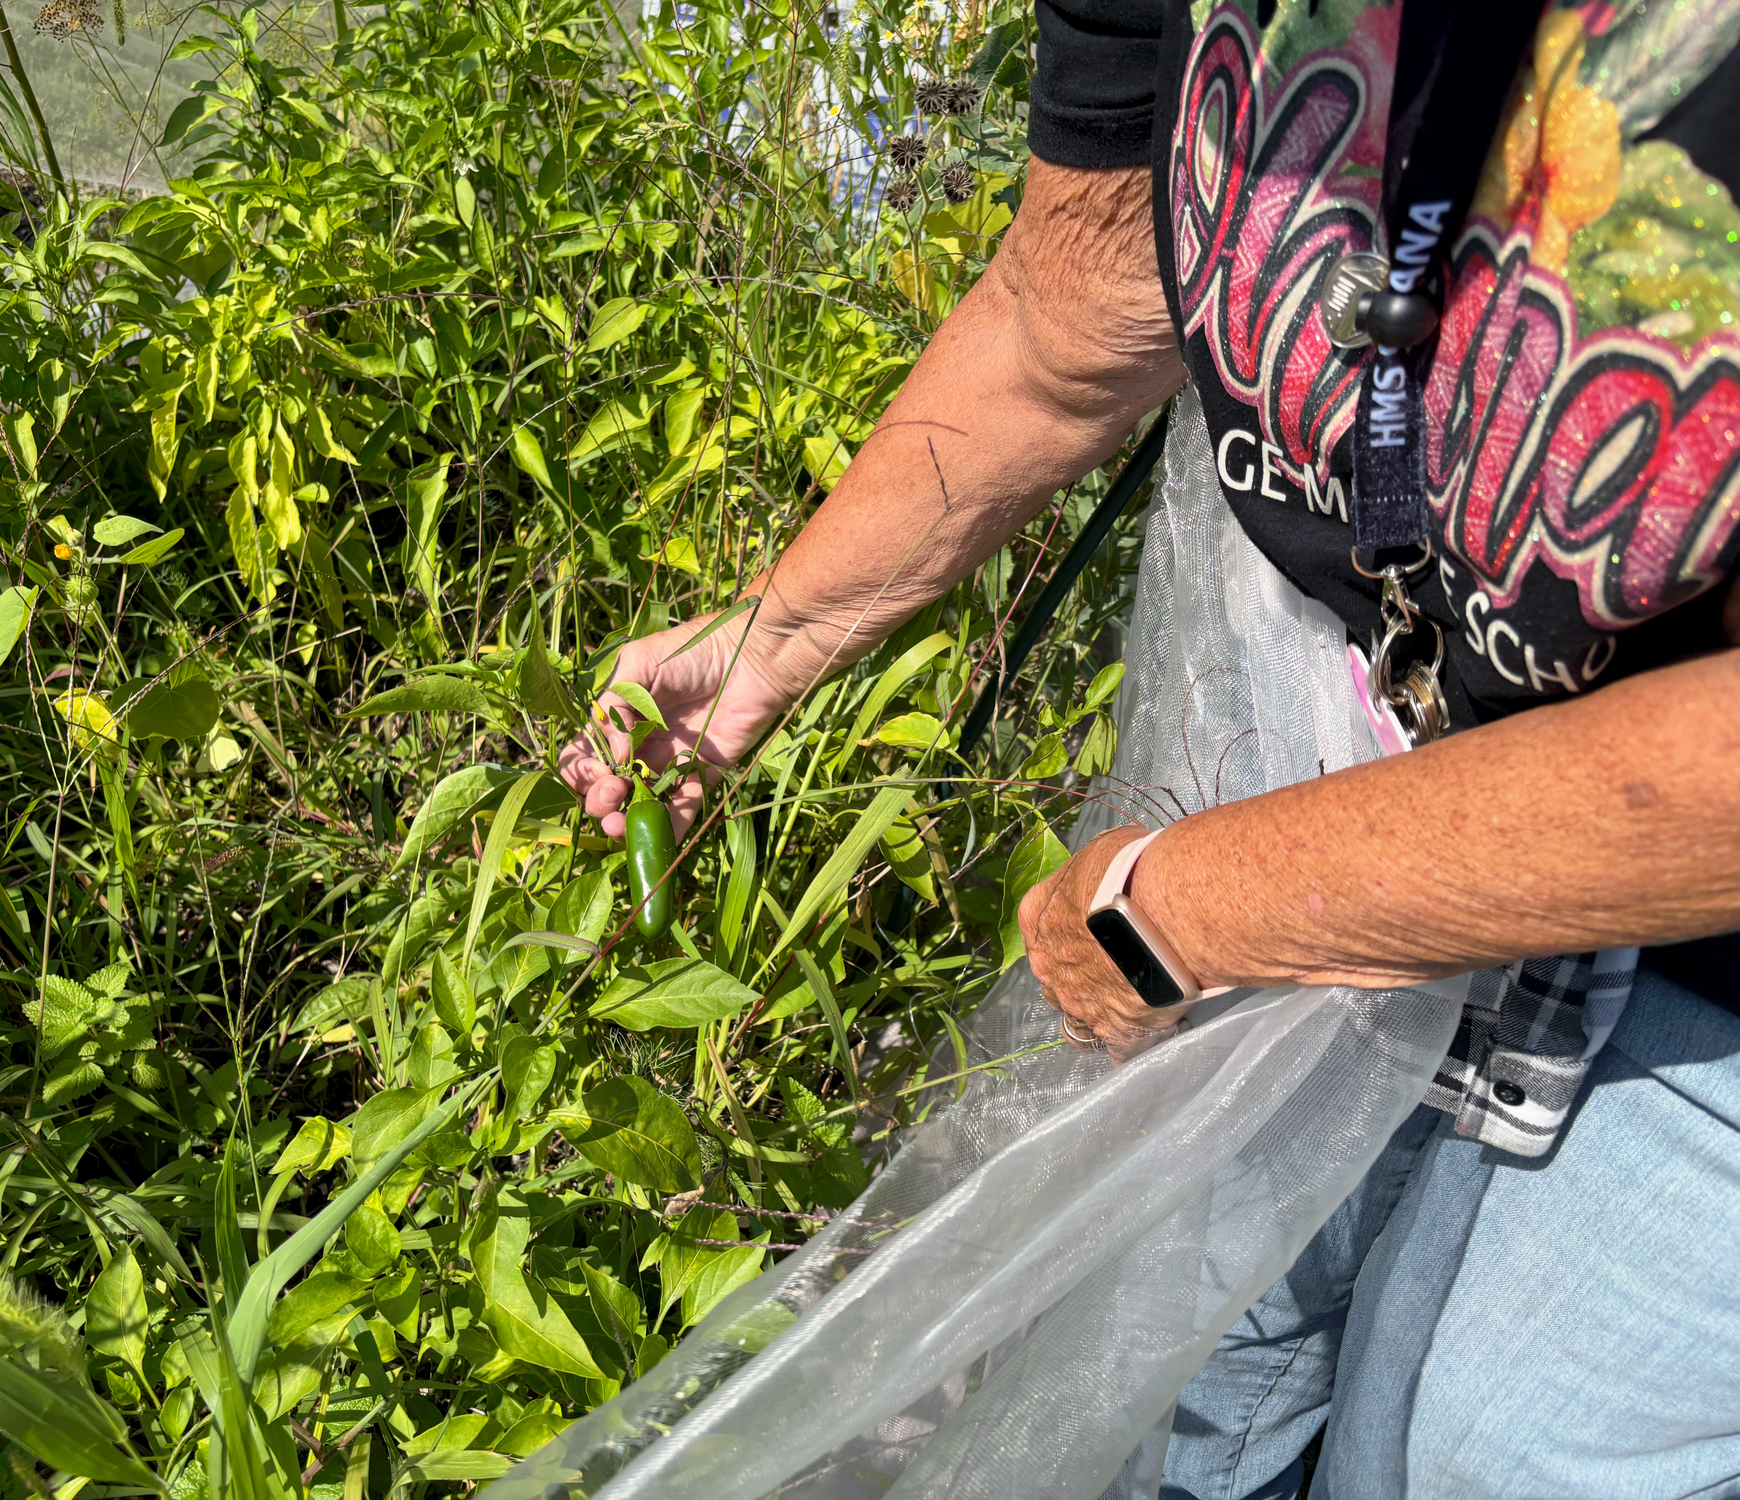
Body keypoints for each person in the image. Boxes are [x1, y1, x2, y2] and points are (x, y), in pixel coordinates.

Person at [559, 0, 1740, 1493]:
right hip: (1330, 730)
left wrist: (1176, 911)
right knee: (1197, 1352)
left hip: (1700, 968)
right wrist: (770, 640)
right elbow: (1078, 308)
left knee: (1471, 1454)